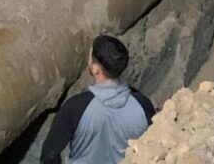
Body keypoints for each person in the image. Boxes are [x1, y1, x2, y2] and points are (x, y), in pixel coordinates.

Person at [40, 35, 155, 164]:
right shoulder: (143, 105)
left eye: (90, 57)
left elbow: (48, 156)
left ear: (95, 69)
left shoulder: (75, 107)